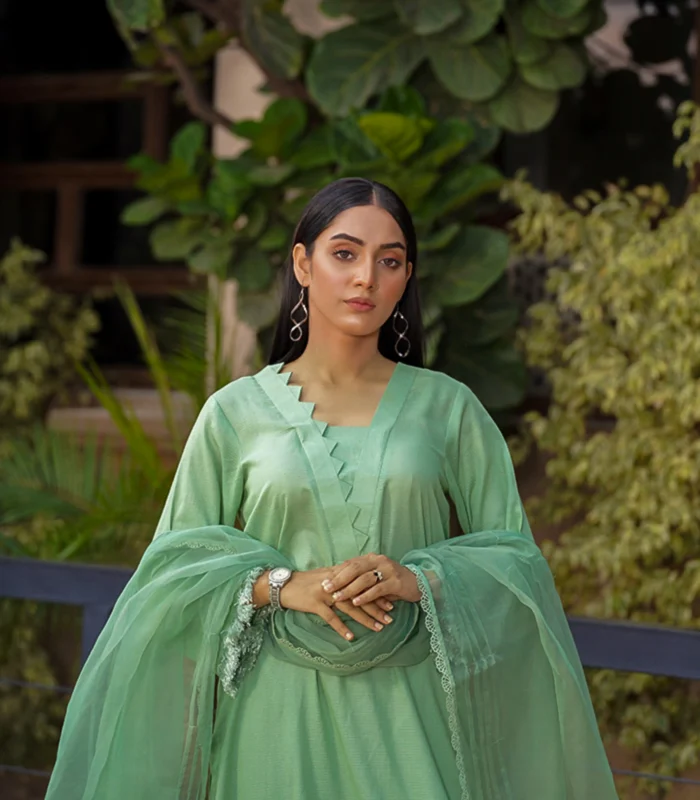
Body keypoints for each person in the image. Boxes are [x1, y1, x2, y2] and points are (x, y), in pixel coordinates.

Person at [45, 178, 618, 799]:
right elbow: (171, 576)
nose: (366, 277)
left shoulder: (449, 410)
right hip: (273, 719)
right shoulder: (234, 414)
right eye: (344, 253)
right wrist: (284, 587)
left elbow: (517, 565)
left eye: (390, 260)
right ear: (302, 263)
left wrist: (419, 577)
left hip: (412, 717)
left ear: (406, 278)